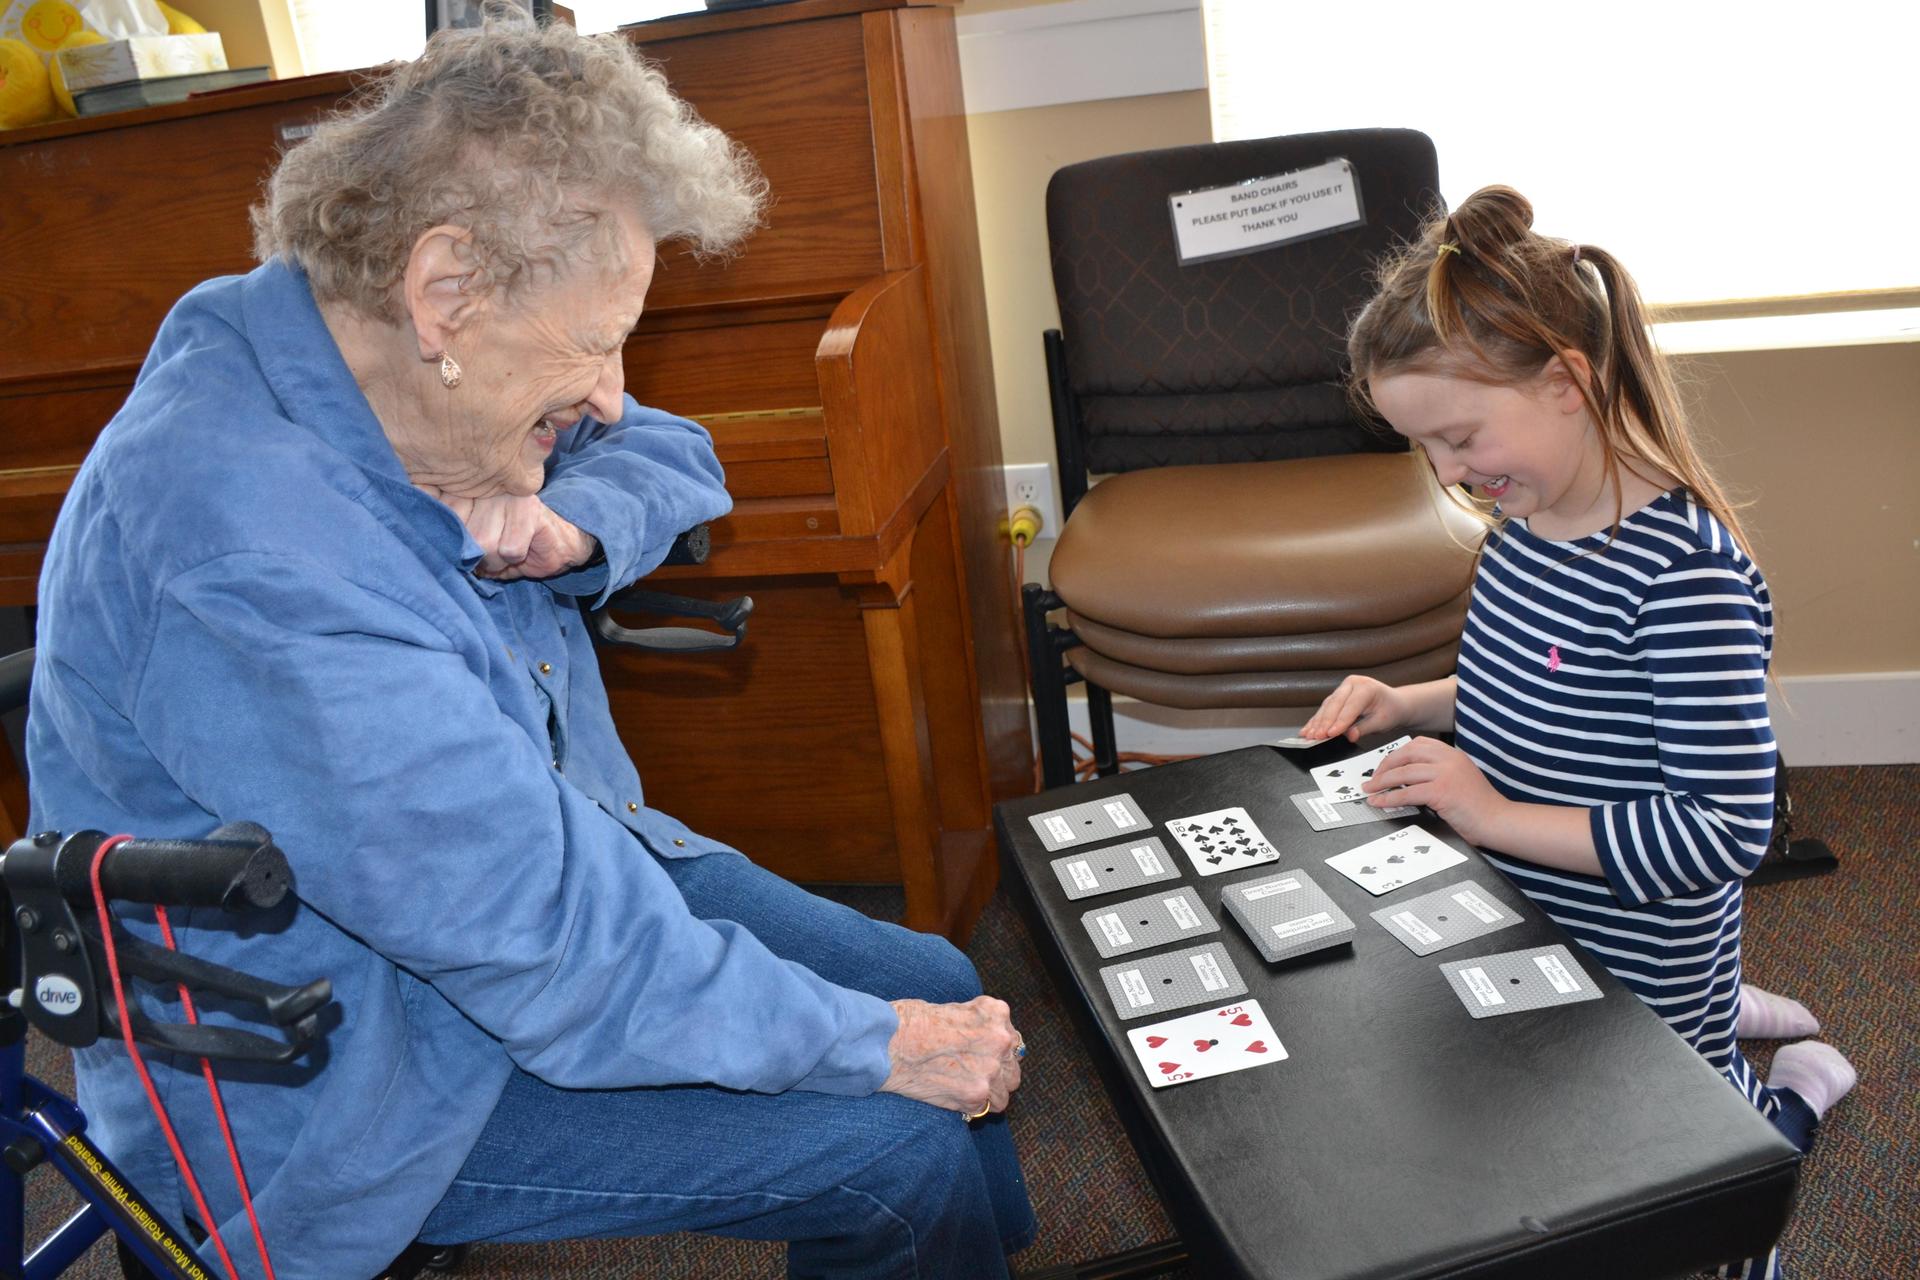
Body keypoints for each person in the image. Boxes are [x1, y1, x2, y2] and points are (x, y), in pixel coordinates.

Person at [26, 14, 1033, 1280]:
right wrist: (876, 1048)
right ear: (446, 289)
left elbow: (672, 450)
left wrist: (568, 521)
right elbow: (550, 946)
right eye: (599, 344)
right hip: (354, 1074)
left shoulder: (374, 356)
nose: (610, 391)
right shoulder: (249, 550)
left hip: (532, 885)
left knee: (937, 972)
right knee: (902, 1142)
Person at [1299, 186, 1855, 1280]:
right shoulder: (1522, 524)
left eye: (1457, 436)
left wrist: (1489, 809)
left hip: (1641, 948)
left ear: (1565, 379)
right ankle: (1733, 1005)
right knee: (1531, 1114)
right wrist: (1413, 702)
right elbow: (1526, 685)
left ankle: (1796, 1087)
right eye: (1425, 450)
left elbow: (1724, 827)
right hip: (1528, 915)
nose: (1451, 473)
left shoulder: (1685, 574)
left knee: (1684, 1179)